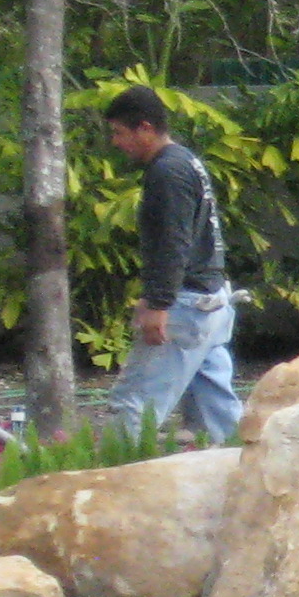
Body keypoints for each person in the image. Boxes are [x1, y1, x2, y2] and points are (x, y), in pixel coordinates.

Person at [99, 85, 244, 442]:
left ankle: (115, 487)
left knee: (135, 405)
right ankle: (244, 474)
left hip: (186, 306)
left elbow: (173, 242)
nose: (116, 142)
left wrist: (159, 303)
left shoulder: (168, 172)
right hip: (211, 302)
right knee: (217, 411)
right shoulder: (185, 161)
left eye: (119, 132)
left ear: (145, 128)